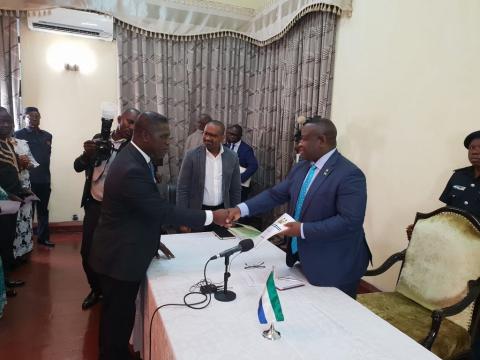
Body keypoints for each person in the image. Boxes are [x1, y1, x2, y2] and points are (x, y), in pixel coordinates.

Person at [88, 111, 230, 360]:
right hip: (119, 257)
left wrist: (154, 240)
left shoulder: (137, 157)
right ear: (143, 135)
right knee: (117, 320)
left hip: (120, 248)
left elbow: (140, 210)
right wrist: (211, 217)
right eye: (163, 137)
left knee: (115, 318)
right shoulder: (132, 166)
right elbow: (160, 210)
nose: (168, 142)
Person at [226, 117, 371, 298]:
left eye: (303, 139)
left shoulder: (349, 174)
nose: (298, 144)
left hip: (336, 265)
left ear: (321, 141)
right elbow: (275, 194)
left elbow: (350, 222)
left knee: (335, 318)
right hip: (304, 258)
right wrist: (241, 209)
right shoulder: (301, 167)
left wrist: (301, 229)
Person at [73, 108, 140, 310]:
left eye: (136, 124)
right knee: (87, 252)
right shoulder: (98, 140)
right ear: (119, 120)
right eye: (129, 122)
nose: (132, 127)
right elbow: (77, 166)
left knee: (115, 253)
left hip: (119, 211)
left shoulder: (134, 147)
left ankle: (112, 292)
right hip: (94, 205)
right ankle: (96, 290)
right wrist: (87, 154)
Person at [177, 120, 241, 232]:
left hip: (223, 214)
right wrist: (183, 219)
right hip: (198, 213)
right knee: (197, 246)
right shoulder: (191, 155)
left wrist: (234, 215)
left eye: (212, 135)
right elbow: (182, 189)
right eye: (205, 133)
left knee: (220, 246)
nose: (207, 138)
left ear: (222, 137)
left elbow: (235, 189)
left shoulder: (232, 157)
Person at [15, 107, 54, 247]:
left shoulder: (47, 136)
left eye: (36, 116)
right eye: (30, 116)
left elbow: (46, 157)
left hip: (44, 179)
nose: (33, 119)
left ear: (40, 118)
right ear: (24, 118)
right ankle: (27, 240)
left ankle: (43, 238)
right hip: (27, 181)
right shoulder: (17, 135)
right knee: (27, 211)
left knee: (43, 210)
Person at [0, 107, 27, 290]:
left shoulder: (8, 143)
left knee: (7, 242)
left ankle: (6, 280)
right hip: (3, 202)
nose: (6, 125)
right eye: (1, 121)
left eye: (8, 121)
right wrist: (8, 194)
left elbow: (12, 171)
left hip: (12, 203)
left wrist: (22, 190)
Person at [11, 137, 39, 260]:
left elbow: (33, 164)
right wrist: (17, 163)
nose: (6, 125)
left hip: (25, 185)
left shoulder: (21, 143)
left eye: (9, 122)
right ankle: (12, 255)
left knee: (25, 219)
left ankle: (24, 252)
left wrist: (27, 163)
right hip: (9, 187)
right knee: (12, 221)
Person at [225, 124, 258, 202]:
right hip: (225, 184)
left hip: (239, 187)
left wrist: (240, 178)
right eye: (230, 134)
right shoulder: (224, 146)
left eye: (234, 135)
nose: (231, 136)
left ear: (240, 135)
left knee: (237, 209)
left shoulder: (246, 149)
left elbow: (254, 166)